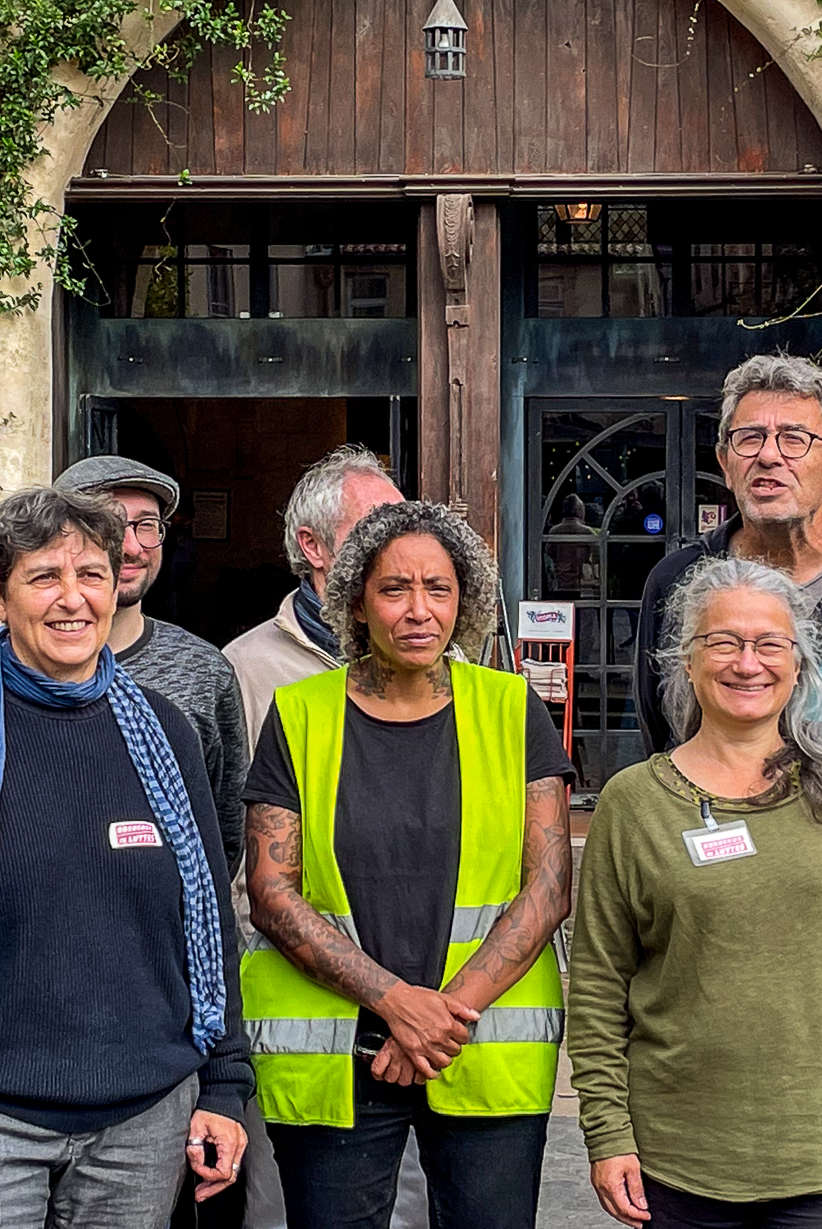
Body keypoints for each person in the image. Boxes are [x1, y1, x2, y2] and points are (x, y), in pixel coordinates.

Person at [0, 486, 251, 1229]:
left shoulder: (167, 734)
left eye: (91, 575)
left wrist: (225, 1086)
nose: (73, 599)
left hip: (144, 1117)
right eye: (44, 577)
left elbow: (207, 921)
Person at [569, 554, 822, 1229]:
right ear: (687, 659)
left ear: (799, 663)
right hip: (681, 1158)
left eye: (771, 644)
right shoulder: (632, 805)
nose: (749, 663)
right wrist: (608, 1130)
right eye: (724, 642)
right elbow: (598, 985)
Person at [242, 500, 574, 1229]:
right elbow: (271, 892)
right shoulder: (299, 714)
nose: (418, 610)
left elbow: (548, 889)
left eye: (439, 588)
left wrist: (439, 1020)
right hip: (340, 1054)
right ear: (357, 600)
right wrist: (398, 1005)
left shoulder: (513, 709)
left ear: (467, 601)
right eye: (395, 589)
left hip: (480, 1048)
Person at [223, 443, 407, 1229]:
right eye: (380, 525)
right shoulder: (243, 671)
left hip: (420, 1001)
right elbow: (227, 855)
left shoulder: (448, 660)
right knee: (287, 1207)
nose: (401, 542)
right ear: (314, 547)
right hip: (294, 1004)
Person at [0, 454, 248, 875]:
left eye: (146, 525)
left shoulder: (204, 672)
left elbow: (222, 836)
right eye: (111, 525)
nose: (130, 547)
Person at [637, 354, 822, 752]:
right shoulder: (677, 582)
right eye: (750, 437)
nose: (769, 456)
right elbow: (663, 730)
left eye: (794, 438)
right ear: (725, 463)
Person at [225, 444, 404, 755]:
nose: (397, 548)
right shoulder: (245, 668)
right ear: (313, 546)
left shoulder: (436, 651)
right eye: (373, 530)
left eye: (403, 529)